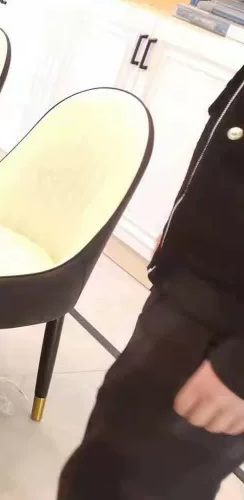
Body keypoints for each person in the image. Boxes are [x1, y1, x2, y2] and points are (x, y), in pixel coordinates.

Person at [59, 66, 244, 499]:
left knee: (141, 483)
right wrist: (182, 224)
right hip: (187, 293)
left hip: (223, 329)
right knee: (105, 464)